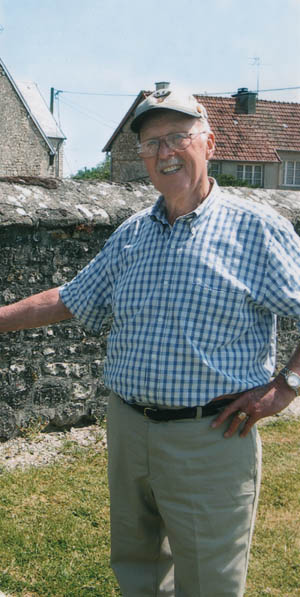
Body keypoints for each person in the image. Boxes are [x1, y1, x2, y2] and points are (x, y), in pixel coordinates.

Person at [1, 88, 300, 597]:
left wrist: (287, 385)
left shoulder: (257, 230)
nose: (165, 152)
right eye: (151, 142)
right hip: (128, 429)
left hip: (211, 436)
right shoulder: (134, 233)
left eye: (178, 137)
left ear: (209, 141)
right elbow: (71, 297)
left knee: (209, 582)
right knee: (137, 569)